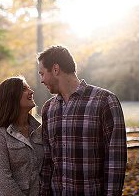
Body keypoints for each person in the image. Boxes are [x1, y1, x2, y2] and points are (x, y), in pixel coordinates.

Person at [37, 46, 126, 195]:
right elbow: (47, 161)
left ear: (56, 69)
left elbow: (116, 160)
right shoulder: (48, 109)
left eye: (42, 73)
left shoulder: (105, 101)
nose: (41, 80)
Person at [0, 77, 44, 196]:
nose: (31, 92)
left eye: (29, 88)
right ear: (11, 97)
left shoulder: (39, 130)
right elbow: (4, 181)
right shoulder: (0, 134)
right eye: (24, 89)